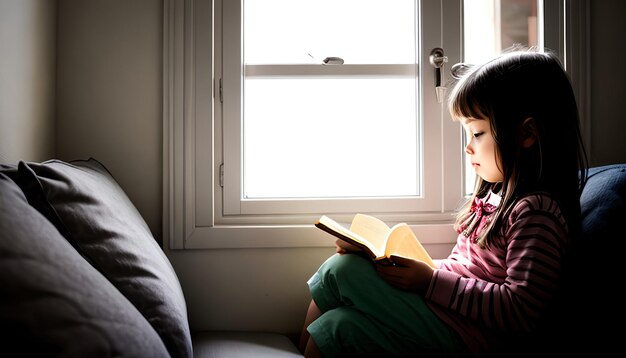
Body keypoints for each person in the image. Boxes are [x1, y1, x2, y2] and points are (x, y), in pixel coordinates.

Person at [298, 48, 588, 358]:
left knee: (342, 271)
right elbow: (464, 272)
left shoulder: (536, 213)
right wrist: (389, 262)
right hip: (448, 318)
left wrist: (430, 282)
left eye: (477, 133)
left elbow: (521, 309)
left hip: (469, 337)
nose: (468, 147)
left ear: (527, 134)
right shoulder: (493, 197)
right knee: (341, 323)